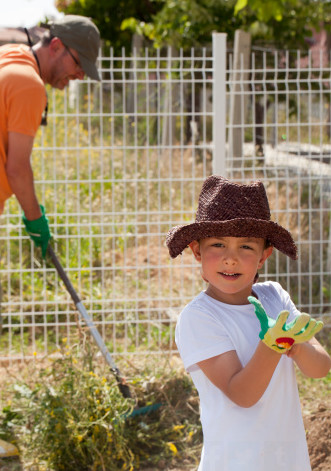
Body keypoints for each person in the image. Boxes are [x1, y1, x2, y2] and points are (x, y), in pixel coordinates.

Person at [166, 175, 331, 471]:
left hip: (288, 461)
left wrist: (296, 345)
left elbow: (320, 369)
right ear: (197, 251)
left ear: (264, 256)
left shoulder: (275, 297)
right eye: (218, 244)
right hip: (234, 463)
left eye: (246, 247)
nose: (231, 259)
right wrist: (273, 345)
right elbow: (242, 394)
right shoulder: (199, 318)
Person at [0, 14, 100, 256]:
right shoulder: (29, 85)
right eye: (78, 64)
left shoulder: (10, 56)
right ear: (56, 46)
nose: (80, 76)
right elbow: (17, 168)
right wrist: (36, 220)